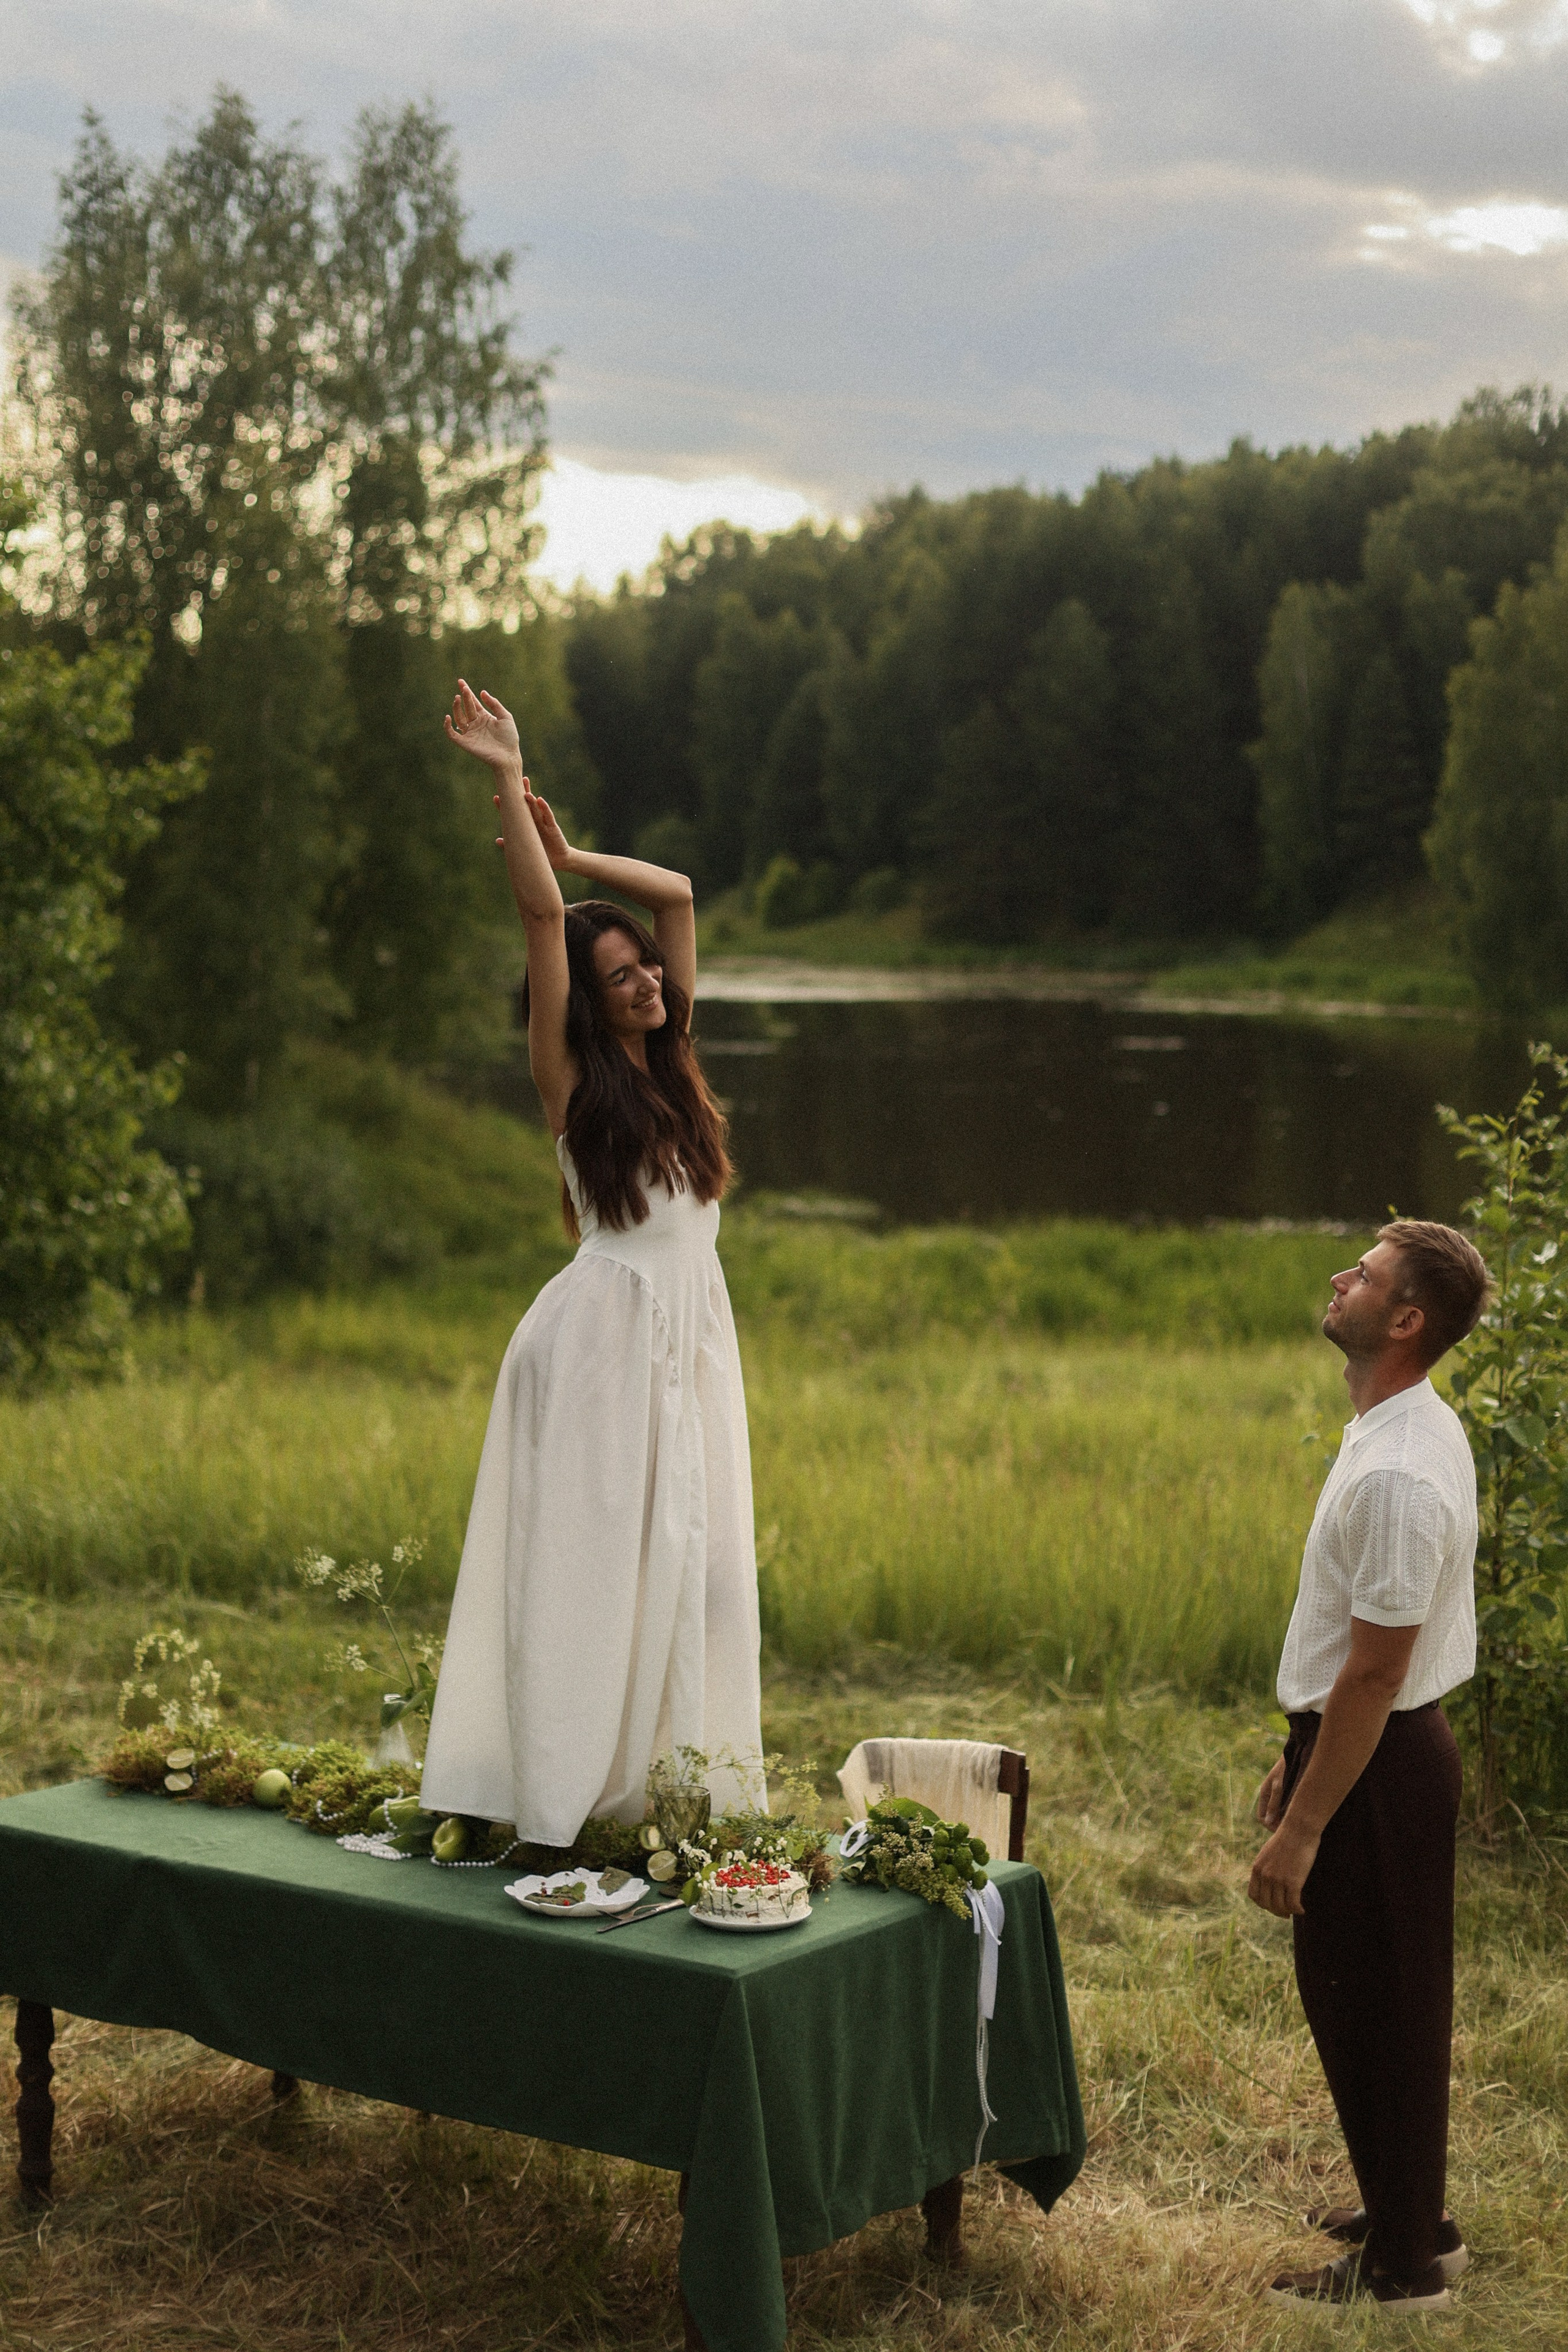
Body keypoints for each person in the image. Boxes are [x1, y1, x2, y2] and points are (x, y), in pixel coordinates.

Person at [419, 680, 763, 1844]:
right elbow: (537, 919)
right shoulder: (569, 1082)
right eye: (621, 977)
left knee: (693, 1569)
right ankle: (554, 1810)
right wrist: (510, 780)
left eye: (647, 969)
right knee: (592, 1576)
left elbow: (679, 894)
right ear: (587, 1002)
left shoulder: (675, 1057)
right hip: (602, 1347)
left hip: (686, 1340)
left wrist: (581, 859)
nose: (649, 981)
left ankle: (662, 1792)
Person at [1250, 1219, 1490, 2314]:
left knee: (1372, 2008)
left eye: (1367, 1274)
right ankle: (1410, 2215)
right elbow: (1351, 1665)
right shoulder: (1401, 1423)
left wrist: (1305, 1824)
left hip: (1382, 1761)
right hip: (1369, 1750)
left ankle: (1403, 2274)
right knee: (1385, 1999)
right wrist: (1295, 1754)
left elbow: (1376, 1674)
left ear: (1405, 1320)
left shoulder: (1398, 1473)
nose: (1341, 1276)